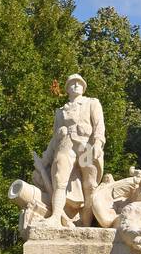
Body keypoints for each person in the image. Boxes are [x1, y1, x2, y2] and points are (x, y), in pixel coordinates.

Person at [38, 74, 105, 227]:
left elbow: (99, 126)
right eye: (72, 83)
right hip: (66, 145)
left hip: (86, 146)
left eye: (79, 83)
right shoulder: (60, 111)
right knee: (59, 179)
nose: (75, 85)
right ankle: (56, 217)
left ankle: (86, 222)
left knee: (89, 184)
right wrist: (46, 157)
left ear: (83, 87)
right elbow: (54, 138)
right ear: (67, 89)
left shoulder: (91, 103)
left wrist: (98, 143)